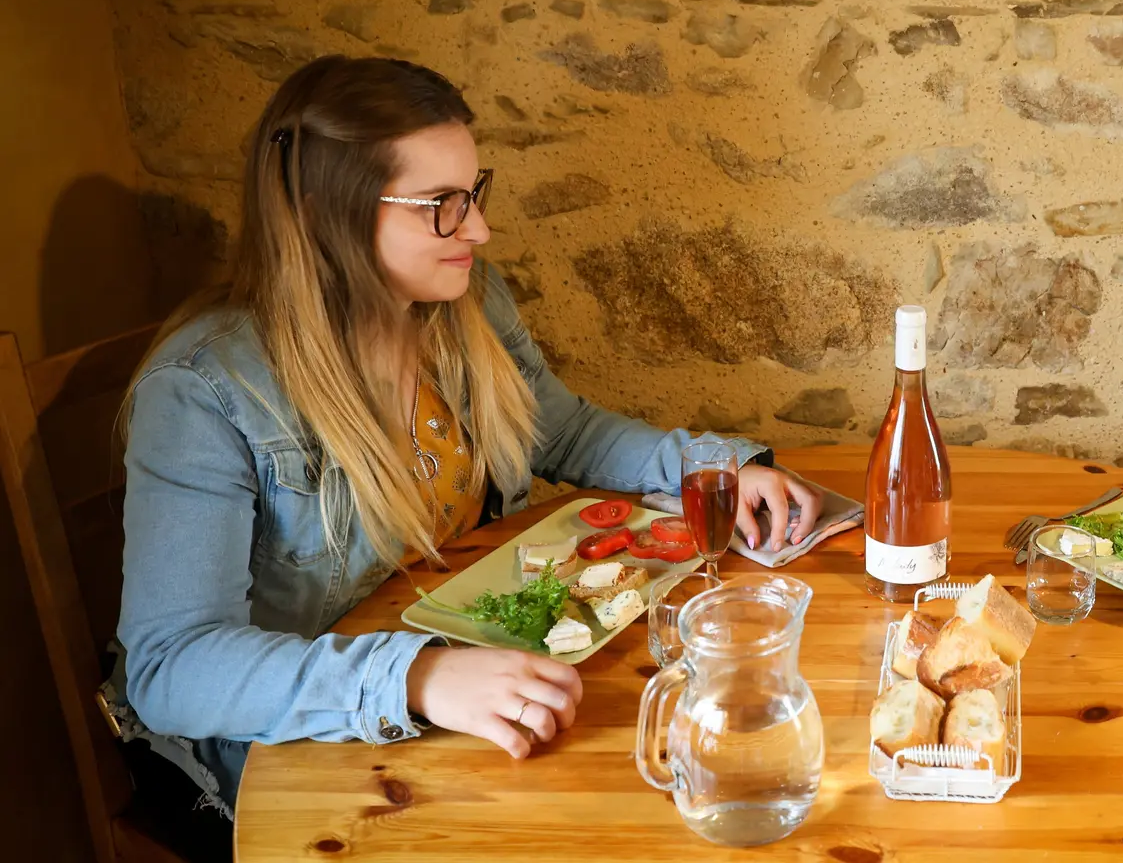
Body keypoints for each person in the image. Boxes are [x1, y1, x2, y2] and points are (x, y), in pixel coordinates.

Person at [112, 56, 822, 823]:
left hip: (468, 685)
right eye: (440, 206)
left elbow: (564, 430)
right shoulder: (205, 392)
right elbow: (173, 667)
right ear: (322, 215)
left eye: (473, 193)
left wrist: (710, 470)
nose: (477, 229)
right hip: (300, 748)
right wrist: (418, 679)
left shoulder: (463, 302)